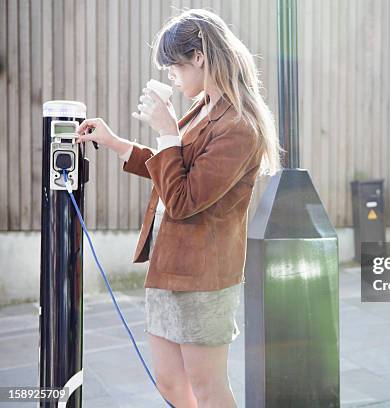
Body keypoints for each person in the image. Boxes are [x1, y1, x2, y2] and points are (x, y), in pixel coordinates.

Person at [75, 8, 281, 407]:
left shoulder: (239, 125)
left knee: (208, 388)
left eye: (175, 67)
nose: (172, 76)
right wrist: (117, 142)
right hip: (169, 264)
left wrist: (169, 130)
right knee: (169, 383)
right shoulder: (204, 106)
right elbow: (177, 171)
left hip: (203, 276)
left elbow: (184, 198)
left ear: (200, 57)